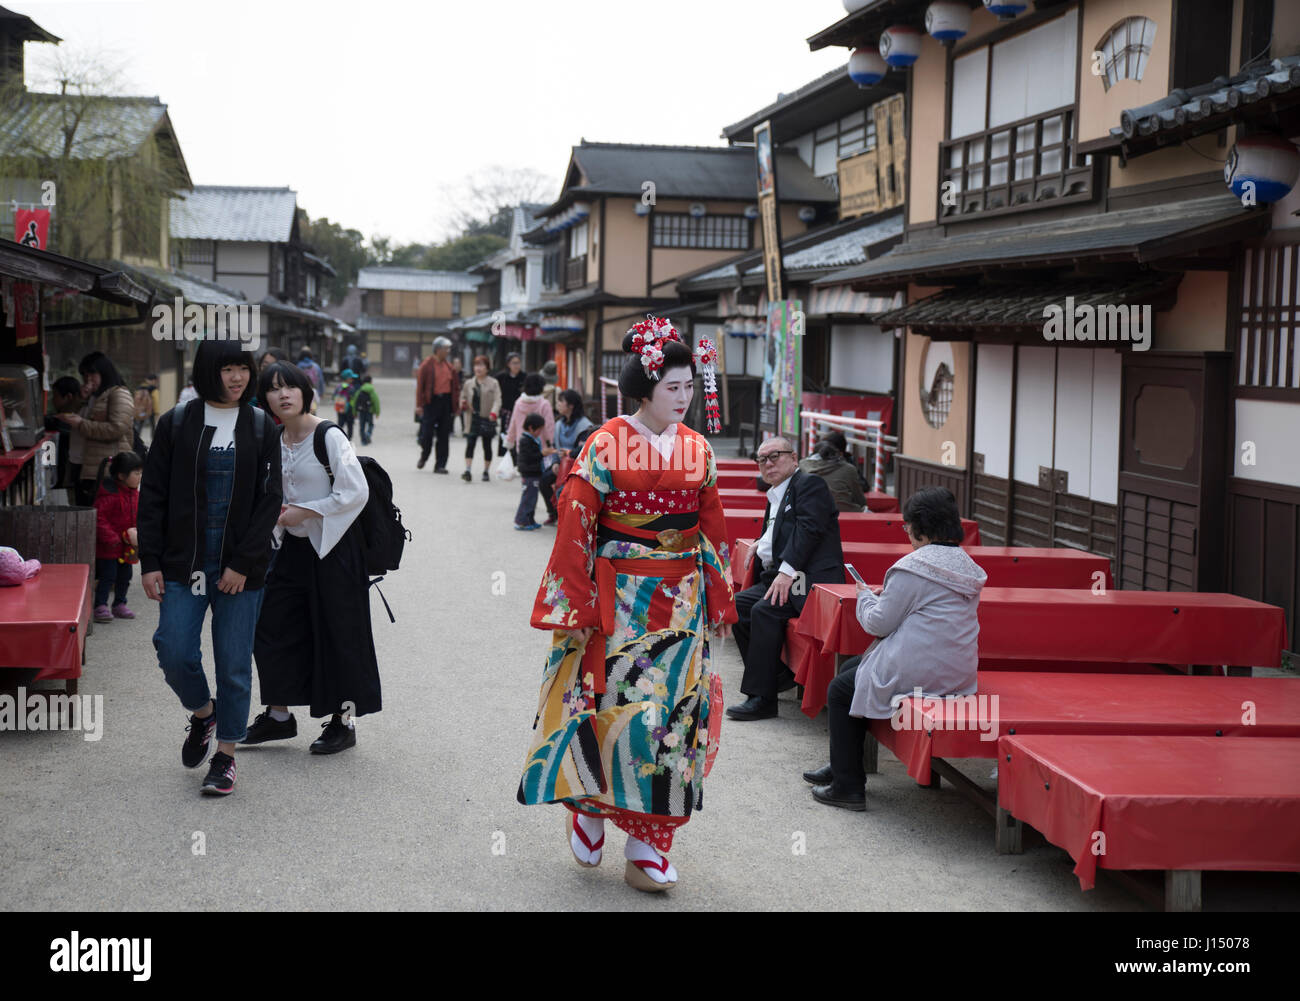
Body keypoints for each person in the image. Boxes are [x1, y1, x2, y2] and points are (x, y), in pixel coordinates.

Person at [517, 316, 737, 893]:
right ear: (643, 390)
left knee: (673, 717)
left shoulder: (698, 449)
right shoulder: (605, 443)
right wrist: (579, 601)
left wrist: (718, 592)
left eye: (690, 387)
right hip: (621, 599)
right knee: (616, 703)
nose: (684, 398)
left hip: (681, 599)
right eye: (673, 388)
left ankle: (647, 842)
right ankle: (588, 803)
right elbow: (576, 522)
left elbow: (710, 526)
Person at [138, 339, 282, 797]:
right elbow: (152, 496)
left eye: (244, 369)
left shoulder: (261, 426)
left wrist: (242, 564)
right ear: (206, 373)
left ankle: (225, 757)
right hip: (185, 563)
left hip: (242, 570)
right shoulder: (177, 423)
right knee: (174, 649)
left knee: (235, 665)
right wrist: (150, 561)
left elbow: (269, 502)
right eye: (227, 370)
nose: (238, 378)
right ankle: (204, 713)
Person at [803, 486, 987, 809]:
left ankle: (848, 787)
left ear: (920, 527)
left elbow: (877, 623)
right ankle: (844, 761)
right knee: (853, 670)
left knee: (840, 688)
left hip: (919, 669)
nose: (906, 532)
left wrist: (864, 595)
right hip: (957, 670)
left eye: (907, 525)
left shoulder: (914, 567)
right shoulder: (965, 565)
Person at [243, 361, 379, 755]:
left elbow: (356, 491)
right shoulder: (273, 437)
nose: (283, 394)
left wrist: (308, 510)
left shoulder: (328, 436)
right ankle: (279, 716)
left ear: (305, 391)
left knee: (339, 634)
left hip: (333, 550)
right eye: (273, 388)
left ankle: (343, 721)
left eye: (290, 387)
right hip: (289, 549)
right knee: (272, 626)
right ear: (265, 399)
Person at [727, 435, 844, 722]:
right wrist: (759, 541)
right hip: (782, 577)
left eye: (775, 456)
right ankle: (776, 676)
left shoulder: (809, 485)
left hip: (808, 581)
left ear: (794, 458)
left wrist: (786, 571)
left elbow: (809, 529)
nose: (768, 463)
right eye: (762, 459)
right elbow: (781, 528)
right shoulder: (778, 492)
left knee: (763, 611)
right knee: (735, 608)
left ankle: (762, 699)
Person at [61, 352, 135, 508]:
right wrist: (80, 398)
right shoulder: (90, 397)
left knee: (98, 517)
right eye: (85, 375)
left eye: (92, 374)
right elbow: (66, 412)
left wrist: (82, 424)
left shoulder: (118, 394)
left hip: (103, 470)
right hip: (81, 465)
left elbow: (116, 428)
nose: (88, 379)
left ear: (104, 372)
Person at [92, 450, 143, 623]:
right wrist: (112, 538)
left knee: (125, 576)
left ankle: (120, 603)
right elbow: (99, 518)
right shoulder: (109, 495)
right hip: (109, 548)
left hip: (127, 547)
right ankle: (100, 605)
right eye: (136, 473)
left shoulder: (134, 494)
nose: (139, 477)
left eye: (141, 473)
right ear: (121, 475)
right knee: (108, 576)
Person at [539, 389, 593, 526]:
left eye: (560, 401)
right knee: (544, 481)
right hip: (561, 465)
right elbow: (557, 447)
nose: (557, 404)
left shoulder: (584, 425)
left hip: (578, 467)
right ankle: (553, 513)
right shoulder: (559, 424)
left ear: (571, 405)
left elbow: (583, 450)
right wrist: (556, 462)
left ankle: (568, 520)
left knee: (564, 491)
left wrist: (567, 455)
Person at [415, 337, 456, 472]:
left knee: (444, 435)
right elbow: (420, 386)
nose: (448, 351)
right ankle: (424, 455)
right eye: (446, 348)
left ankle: (440, 465)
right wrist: (419, 405)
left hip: (445, 402)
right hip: (431, 402)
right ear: (438, 349)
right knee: (427, 434)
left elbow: (455, 387)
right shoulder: (426, 365)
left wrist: (456, 405)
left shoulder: (449, 366)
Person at [459, 355, 500, 482]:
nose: (478, 368)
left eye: (482, 365)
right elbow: (463, 397)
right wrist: (463, 403)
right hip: (472, 419)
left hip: (487, 418)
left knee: (486, 446)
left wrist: (494, 413)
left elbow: (497, 400)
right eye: (476, 365)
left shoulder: (493, 383)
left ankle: (486, 471)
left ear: (487, 368)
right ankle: (468, 470)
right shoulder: (468, 383)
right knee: (470, 444)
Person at [799, 437, 867, 512]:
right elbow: (860, 500)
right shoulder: (848, 468)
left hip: (810, 511)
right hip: (845, 511)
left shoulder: (802, 465)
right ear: (838, 454)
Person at [44, 376, 83, 490]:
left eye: (56, 396)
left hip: (68, 475)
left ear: (68, 397)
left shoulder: (72, 420)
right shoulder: (59, 419)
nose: (53, 400)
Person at [503, 373, 554, 458]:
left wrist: (509, 441)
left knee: (524, 469)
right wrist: (549, 443)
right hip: (541, 448)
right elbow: (549, 427)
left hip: (522, 446)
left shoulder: (518, 403)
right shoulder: (544, 404)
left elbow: (513, 424)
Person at [513, 412, 545, 530]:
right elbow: (530, 457)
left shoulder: (532, 439)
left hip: (534, 473)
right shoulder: (525, 440)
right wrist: (542, 454)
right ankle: (521, 520)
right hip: (529, 473)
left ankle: (530, 520)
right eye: (539, 430)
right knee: (528, 498)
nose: (540, 433)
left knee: (532, 498)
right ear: (531, 428)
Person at [495, 352, 525, 461]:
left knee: (519, 435)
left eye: (518, 363)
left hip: (521, 412)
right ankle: (506, 458)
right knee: (506, 435)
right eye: (514, 363)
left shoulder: (524, 377)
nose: (516, 365)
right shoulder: (501, 377)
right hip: (506, 411)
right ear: (508, 364)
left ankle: (517, 458)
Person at [353, 374, 381, 445]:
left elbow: (355, 401)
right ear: (371, 382)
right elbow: (376, 402)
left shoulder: (360, 390)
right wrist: (377, 412)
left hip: (361, 411)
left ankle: (363, 441)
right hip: (370, 411)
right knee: (370, 424)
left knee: (362, 426)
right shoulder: (372, 391)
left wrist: (354, 412)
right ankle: (368, 433)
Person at [332, 369, 359, 440]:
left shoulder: (338, 387)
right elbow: (354, 399)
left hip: (340, 408)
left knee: (340, 423)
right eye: (351, 378)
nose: (353, 379)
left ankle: (338, 437)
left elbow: (333, 397)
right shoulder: (351, 388)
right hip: (349, 409)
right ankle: (349, 438)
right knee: (350, 425)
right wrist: (355, 410)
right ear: (348, 379)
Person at [133, 374, 158, 443]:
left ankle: (137, 440)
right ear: (154, 380)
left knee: (140, 425)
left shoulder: (139, 388)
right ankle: (154, 440)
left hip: (141, 410)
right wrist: (156, 411)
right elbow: (156, 400)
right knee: (153, 426)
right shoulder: (153, 389)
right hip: (150, 410)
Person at [450, 356, 466, 435]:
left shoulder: (463, 374)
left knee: (462, 414)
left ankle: (464, 429)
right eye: (455, 363)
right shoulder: (451, 373)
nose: (457, 365)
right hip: (453, 396)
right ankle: (451, 430)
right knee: (452, 415)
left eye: (458, 363)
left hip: (462, 396)